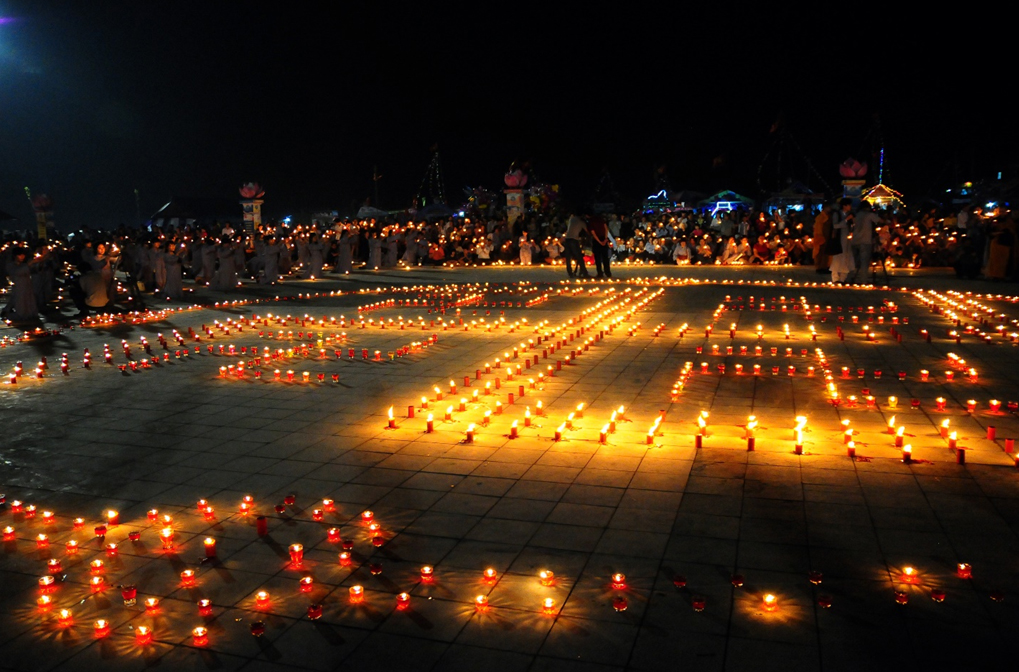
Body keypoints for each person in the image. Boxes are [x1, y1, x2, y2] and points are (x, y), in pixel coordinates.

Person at [829, 199, 856, 283]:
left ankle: (843, 278)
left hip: (847, 239)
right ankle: (835, 277)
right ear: (844, 206)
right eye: (849, 205)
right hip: (839, 239)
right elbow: (835, 225)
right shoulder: (837, 214)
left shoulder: (850, 214)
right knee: (837, 257)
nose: (850, 207)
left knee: (846, 257)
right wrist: (846, 220)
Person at [851, 201, 879, 282]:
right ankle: (863, 280)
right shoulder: (869, 215)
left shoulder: (857, 215)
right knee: (864, 262)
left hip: (855, 240)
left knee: (853, 261)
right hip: (865, 241)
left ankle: (850, 277)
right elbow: (879, 221)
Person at [563, 213, 590, 279]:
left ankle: (570, 273)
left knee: (568, 257)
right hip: (574, 240)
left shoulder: (571, 219)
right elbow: (588, 231)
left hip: (567, 239)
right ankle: (584, 272)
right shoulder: (581, 222)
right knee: (579, 257)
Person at [587, 213, 611, 278]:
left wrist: (600, 242)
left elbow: (593, 233)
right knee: (605, 257)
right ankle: (608, 272)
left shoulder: (591, 221)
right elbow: (606, 229)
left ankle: (600, 273)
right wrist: (605, 239)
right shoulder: (601, 219)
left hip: (596, 240)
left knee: (597, 258)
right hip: (603, 238)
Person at [813, 204, 831, 274]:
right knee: (820, 253)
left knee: (825, 253)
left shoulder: (827, 216)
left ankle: (825, 266)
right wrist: (820, 236)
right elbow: (818, 228)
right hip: (821, 237)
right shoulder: (820, 217)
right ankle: (820, 267)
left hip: (826, 237)